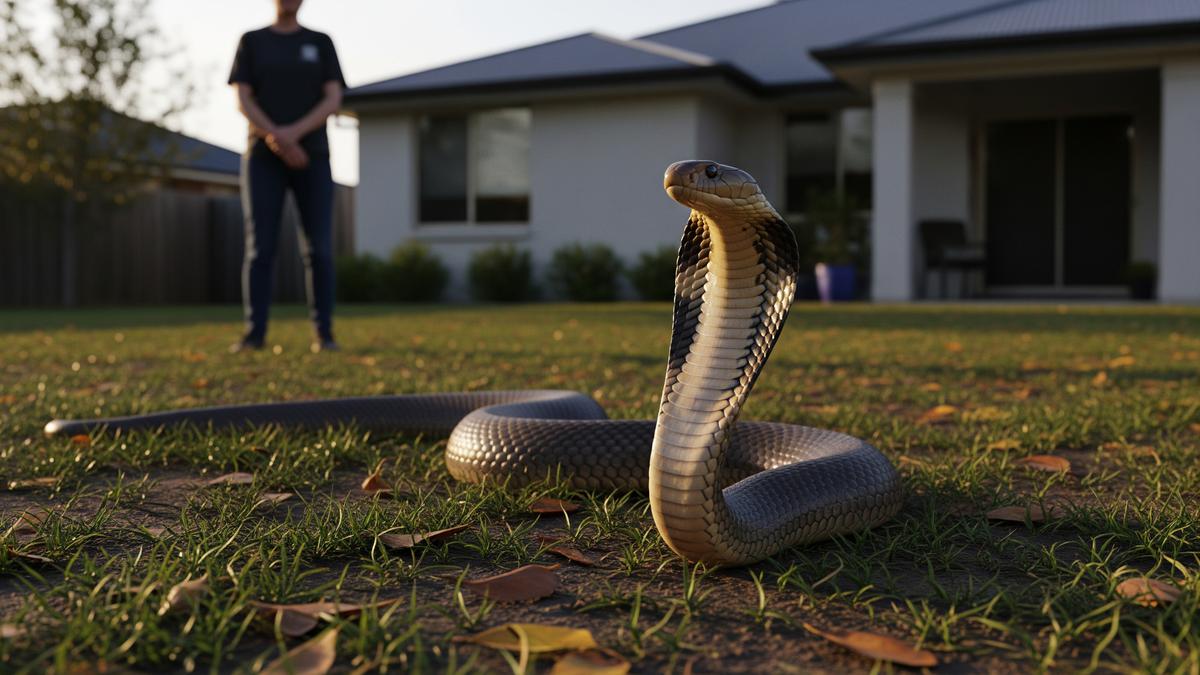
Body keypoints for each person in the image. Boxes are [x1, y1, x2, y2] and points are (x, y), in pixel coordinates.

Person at [228, 0, 345, 353]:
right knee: (260, 247)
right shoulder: (252, 41)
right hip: (263, 157)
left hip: (314, 157)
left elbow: (333, 98)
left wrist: (292, 134)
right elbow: (243, 99)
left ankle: (324, 335)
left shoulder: (321, 42)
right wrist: (274, 136)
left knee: (319, 249)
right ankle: (254, 335)